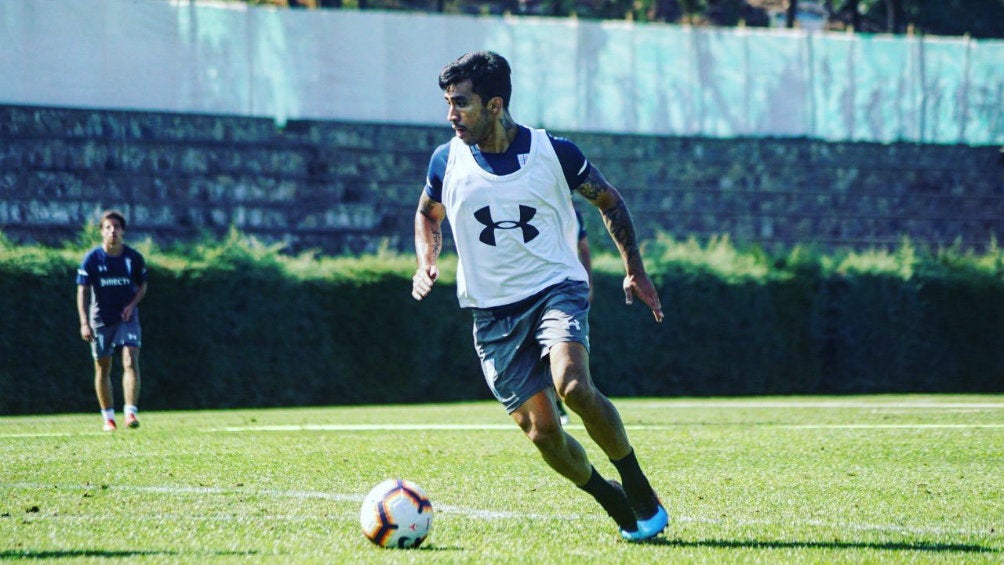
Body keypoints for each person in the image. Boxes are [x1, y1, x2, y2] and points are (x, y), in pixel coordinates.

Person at [411, 51, 668, 542]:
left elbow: (609, 201)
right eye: (447, 103)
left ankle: (637, 484)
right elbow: (427, 215)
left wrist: (634, 269)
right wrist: (427, 258)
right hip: (491, 315)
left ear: (494, 104)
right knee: (543, 432)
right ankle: (609, 496)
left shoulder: (556, 152)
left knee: (572, 384)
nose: (450, 115)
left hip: (556, 290)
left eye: (460, 103)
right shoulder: (445, 160)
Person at [76, 210, 148, 432]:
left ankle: (130, 413)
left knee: (130, 359)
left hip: (127, 318)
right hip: (101, 319)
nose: (112, 231)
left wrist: (132, 305)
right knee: (103, 366)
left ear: (122, 230)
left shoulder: (133, 258)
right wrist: (84, 322)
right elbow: (82, 291)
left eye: (116, 227)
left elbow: (143, 285)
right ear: (101, 231)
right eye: (108, 227)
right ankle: (108, 418)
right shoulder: (92, 259)